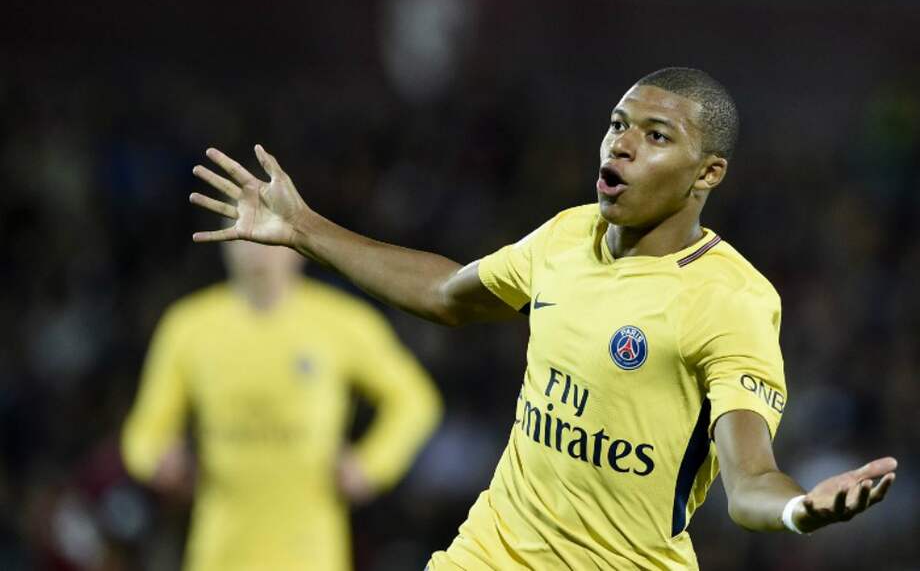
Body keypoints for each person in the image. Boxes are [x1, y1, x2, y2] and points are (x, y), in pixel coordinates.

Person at [188, 67, 897, 570]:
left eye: (655, 136)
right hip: (490, 553)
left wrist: (801, 508)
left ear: (706, 174)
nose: (620, 144)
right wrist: (304, 226)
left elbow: (749, 479)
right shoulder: (566, 236)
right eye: (618, 125)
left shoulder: (732, 300)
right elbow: (446, 293)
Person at [121, 239, 443, 571]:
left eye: (267, 236)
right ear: (224, 244)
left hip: (310, 551)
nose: (257, 250)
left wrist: (371, 466)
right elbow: (143, 432)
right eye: (241, 237)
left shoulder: (341, 322)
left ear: (295, 244)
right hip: (221, 550)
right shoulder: (189, 327)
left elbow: (415, 399)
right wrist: (157, 461)